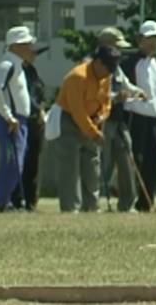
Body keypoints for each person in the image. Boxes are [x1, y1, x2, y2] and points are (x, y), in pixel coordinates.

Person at [53, 45, 119, 212]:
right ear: (97, 62)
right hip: (69, 122)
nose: (109, 73)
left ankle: (91, 206)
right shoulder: (77, 77)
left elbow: (106, 103)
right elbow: (77, 112)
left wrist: (100, 117)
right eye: (108, 68)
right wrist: (95, 134)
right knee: (70, 168)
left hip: (92, 122)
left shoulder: (107, 77)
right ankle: (70, 208)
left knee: (92, 165)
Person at [122, 20, 156, 213]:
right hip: (135, 116)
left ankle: (147, 203)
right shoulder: (129, 63)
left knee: (153, 162)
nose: (153, 43)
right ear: (140, 40)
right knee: (136, 160)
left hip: (153, 119)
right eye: (149, 39)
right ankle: (131, 200)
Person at [98, 27, 143, 212]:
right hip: (103, 120)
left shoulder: (116, 66)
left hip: (118, 119)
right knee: (104, 161)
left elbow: (126, 84)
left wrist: (137, 91)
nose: (120, 50)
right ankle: (96, 201)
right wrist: (116, 96)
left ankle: (127, 203)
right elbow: (95, 93)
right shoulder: (94, 64)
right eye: (116, 46)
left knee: (126, 157)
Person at [0, 26, 36, 212]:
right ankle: (1, 202)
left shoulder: (17, 65)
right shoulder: (7, 65)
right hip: (10, 121)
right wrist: (9, 116)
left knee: (17, 162)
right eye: (27, 44)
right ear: (16, 46)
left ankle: (6, 200)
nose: (31, 48)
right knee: (10, 161)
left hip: (20, 121)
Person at [11, 43, 49, 211]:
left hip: (36, 122)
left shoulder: (32, 72)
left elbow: (39, 94)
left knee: (33, 163)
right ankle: (16, 199)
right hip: (22, 120)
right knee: (19, 162)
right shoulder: (15, 70)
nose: (34, 56)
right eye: (32, 53)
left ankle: (31, 201)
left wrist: (42, 110)